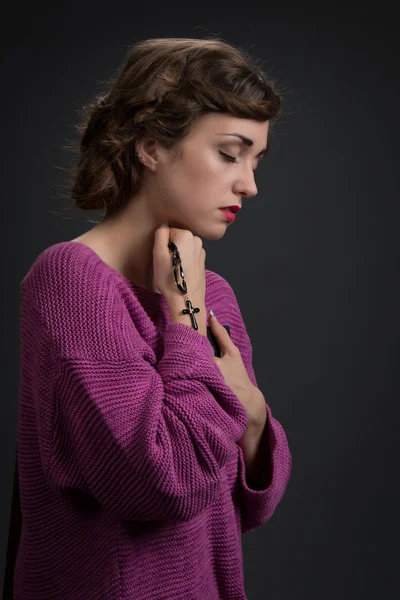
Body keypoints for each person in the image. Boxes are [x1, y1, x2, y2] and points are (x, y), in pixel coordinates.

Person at [15, 37, 292, 600]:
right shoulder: (71, 278)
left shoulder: (212, 290)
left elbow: (233, 505)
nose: (249, 184)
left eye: (256, 160)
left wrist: (257, 418)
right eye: (230, 153)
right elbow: (160, 485)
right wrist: (182, 318)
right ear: (149, 146)